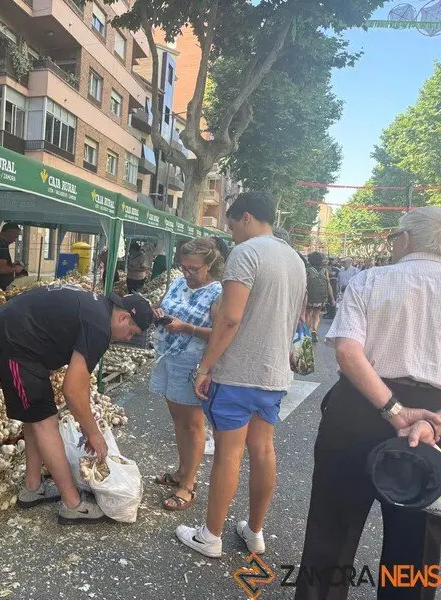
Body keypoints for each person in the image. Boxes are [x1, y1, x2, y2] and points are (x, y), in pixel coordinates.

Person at [295, 207, 441, 600]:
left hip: (358, 407)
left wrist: (394, 411)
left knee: (332, 527)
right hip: (432, 423)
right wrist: (431, 421)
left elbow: (347, 350)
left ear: (405, 239)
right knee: (418, 544)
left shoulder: (371, 280)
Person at [175, 191, 307, 558]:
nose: (230, 230)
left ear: (246, 217)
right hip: (274, 372)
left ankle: (211, 535)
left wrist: (206, 366)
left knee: (228, 454)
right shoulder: (293, 258)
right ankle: (255, 530)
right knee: (263, 450)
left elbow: (230, 318)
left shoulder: (246, 253)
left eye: (231, 222)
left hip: (239, 372)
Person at [0, 286, 153, 523]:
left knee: (36, 417)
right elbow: (72, 390)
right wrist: (93, 433)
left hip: (20, 338)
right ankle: (72, 504)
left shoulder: (99, 311)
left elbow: (78, 381)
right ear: (124, 317)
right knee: (46, 422)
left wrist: (88, 425)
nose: (129, 338)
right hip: (12, 341)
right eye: (131, 332)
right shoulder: (99, 327)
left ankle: (32, 488)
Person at [150, 238, 224, 511]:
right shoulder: (179, 283)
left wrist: (186, 328)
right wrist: (158, 312)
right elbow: (164, 304)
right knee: (178, 420)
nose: (188, 274)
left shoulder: (217, 293)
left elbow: (221, 333)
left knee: (193, 425)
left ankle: (188, 484)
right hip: (168, 357)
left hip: (193, 364)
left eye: (194, 269)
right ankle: (181, 471)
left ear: (209, 266)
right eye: (184, 267)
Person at [305, 252, 334, 342]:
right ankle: (315, 330)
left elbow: (304, 284)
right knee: (317, 314)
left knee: (308, 314)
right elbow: (328, 284)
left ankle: (307, 333)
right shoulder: (325, 270)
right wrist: (332, 298)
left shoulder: (307, 270)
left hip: (310, 296)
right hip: (321, 297)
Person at [0, 223, 23, 292]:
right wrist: (15, 268)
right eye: (15, 236)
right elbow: (2, 269)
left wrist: (12, 265)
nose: (14, 240)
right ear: (9, 232)